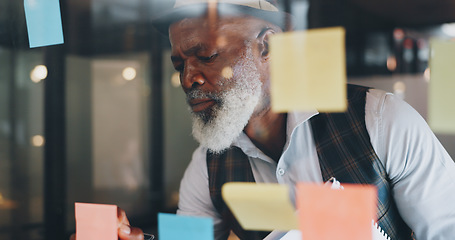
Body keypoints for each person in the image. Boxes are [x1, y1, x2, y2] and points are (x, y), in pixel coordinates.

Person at [113, 0, 455, 239]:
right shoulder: (207, 165)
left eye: (206, 56)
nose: (189, 79)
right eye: (179, 65)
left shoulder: (380, 121)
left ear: (267, 47)